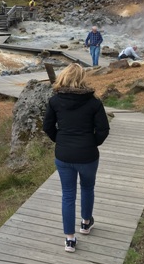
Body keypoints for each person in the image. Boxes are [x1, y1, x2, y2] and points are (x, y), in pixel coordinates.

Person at [43, 63, 110, 253]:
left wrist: (60, 141)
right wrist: (91, 143)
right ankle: (86, 223)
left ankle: (70, 239)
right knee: (88, 187)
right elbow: (103, 130)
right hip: (88, 154)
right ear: (82, 78)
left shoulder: (55, 101)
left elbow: (47, 126)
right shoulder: (94, 102)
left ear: (63, 77)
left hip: (64, 155)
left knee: (68, 195)